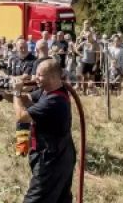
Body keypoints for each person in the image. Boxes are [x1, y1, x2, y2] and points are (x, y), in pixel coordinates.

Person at [12, 59, 76, 203]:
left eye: (40, 75)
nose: (36, 78)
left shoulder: (54, 101)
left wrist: (16, 92)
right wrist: (6, 92)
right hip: (61, 156)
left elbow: (22, 116)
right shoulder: (47, 91)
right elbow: (27, 100)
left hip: (51, 161)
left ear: (53, 77)